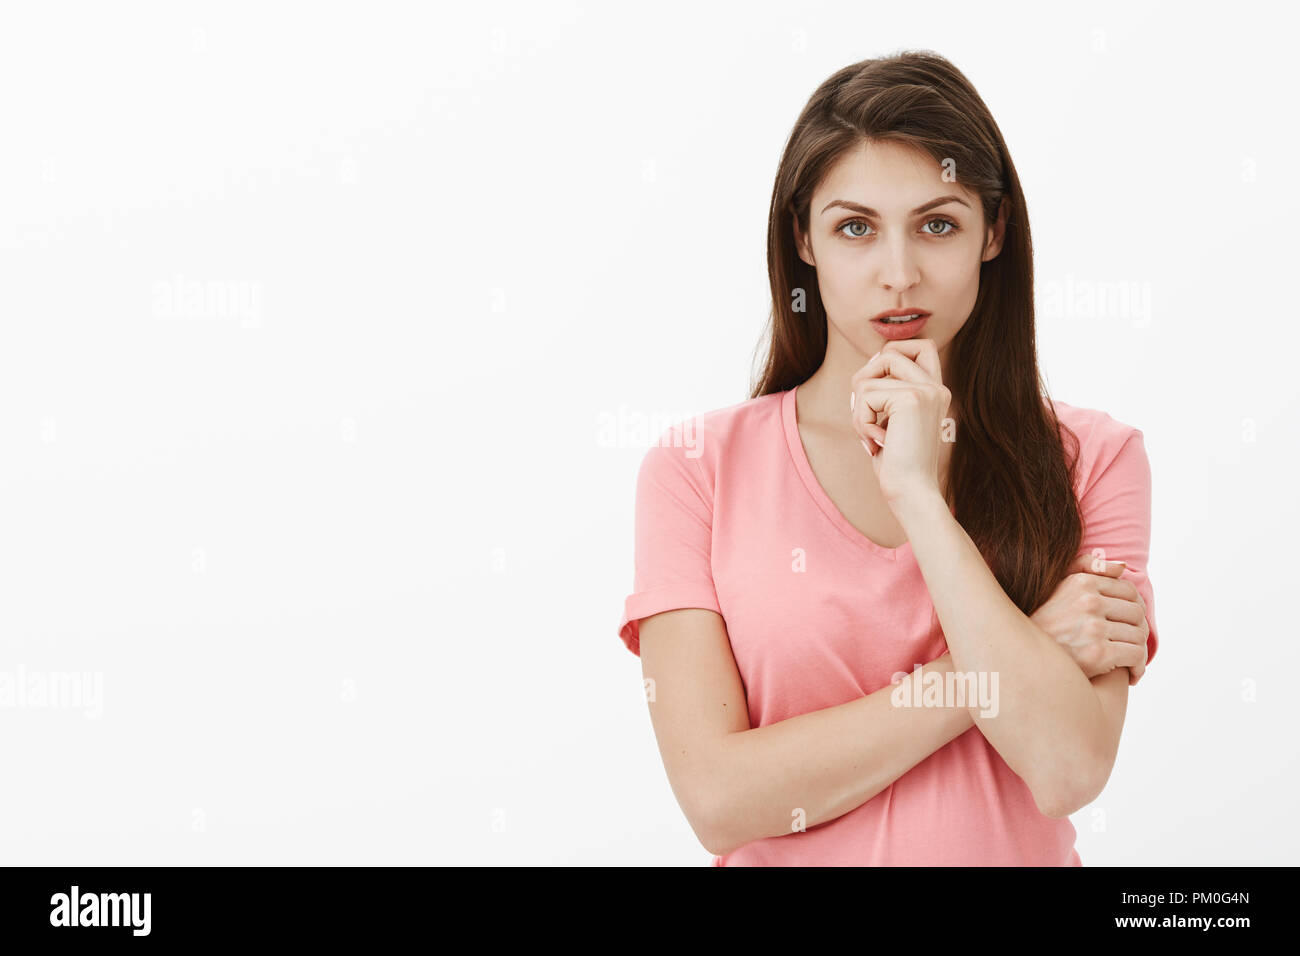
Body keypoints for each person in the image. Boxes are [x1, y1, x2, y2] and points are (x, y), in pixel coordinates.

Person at [615, 50, 1159, 866]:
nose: (898, 276)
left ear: (994, 232)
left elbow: (1066, 766)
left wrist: (917, 496)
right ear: (803, 237)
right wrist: (1004, 663)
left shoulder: (1096, 460)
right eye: (855, 227)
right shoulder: (698, 469)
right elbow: (719, 800)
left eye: (937, 224)